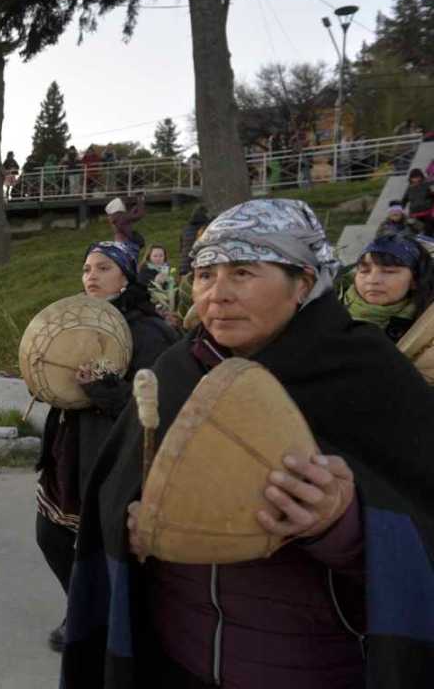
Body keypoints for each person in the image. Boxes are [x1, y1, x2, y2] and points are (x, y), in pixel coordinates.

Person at [62, 198, 434, 689]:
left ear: (303, 283)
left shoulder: (368, 373)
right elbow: (117, 488)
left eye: (242, 273)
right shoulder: (177, 370)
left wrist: (342, 526)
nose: (217, 295)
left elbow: (419, 523)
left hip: (312, 671)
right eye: (205, 275)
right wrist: (133, 526)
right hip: (175, 661)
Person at [36, 240, 178, 653]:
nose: (91, 276)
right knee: (52, 536)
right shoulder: (78, 321)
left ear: (126, 276)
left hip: (113, 453)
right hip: (70, 449)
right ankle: (82, 606)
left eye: (103, 268)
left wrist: (102, 390)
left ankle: (108, 623)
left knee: (106, 546)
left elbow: (151, 408)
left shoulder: (148, 331)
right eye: (86, 269)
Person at [342, 233, 434, 343]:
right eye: (364, 271)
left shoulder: (426, 329)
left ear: (414, 280)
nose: (372, 280)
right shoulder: (327, 309)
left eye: (389, 272)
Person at [137, 245, 177, 318]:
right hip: (152, 305)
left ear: (164, 257)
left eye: (161, 256)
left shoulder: (166, 269)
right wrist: (157, 281)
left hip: (169, 303)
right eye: (155, 256)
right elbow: (145, 287)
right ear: (149, 257)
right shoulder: (145, 270)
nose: (158, 258)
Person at [178, 207, 211, 276]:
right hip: (195, 265)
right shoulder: (204, 229)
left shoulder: (186, 228)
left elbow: (181, 248)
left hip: (184, 265)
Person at [401, 168, 434, 235]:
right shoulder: (409, 188)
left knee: (428, 230)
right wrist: (400, 210)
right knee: (415, 231)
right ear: (410, 178)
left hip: (428, 213)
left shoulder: (428, 184)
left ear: (421, 176)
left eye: (417, 177)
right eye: (413, 177)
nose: (416, 179)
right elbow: (404, 201)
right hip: (414, 214)